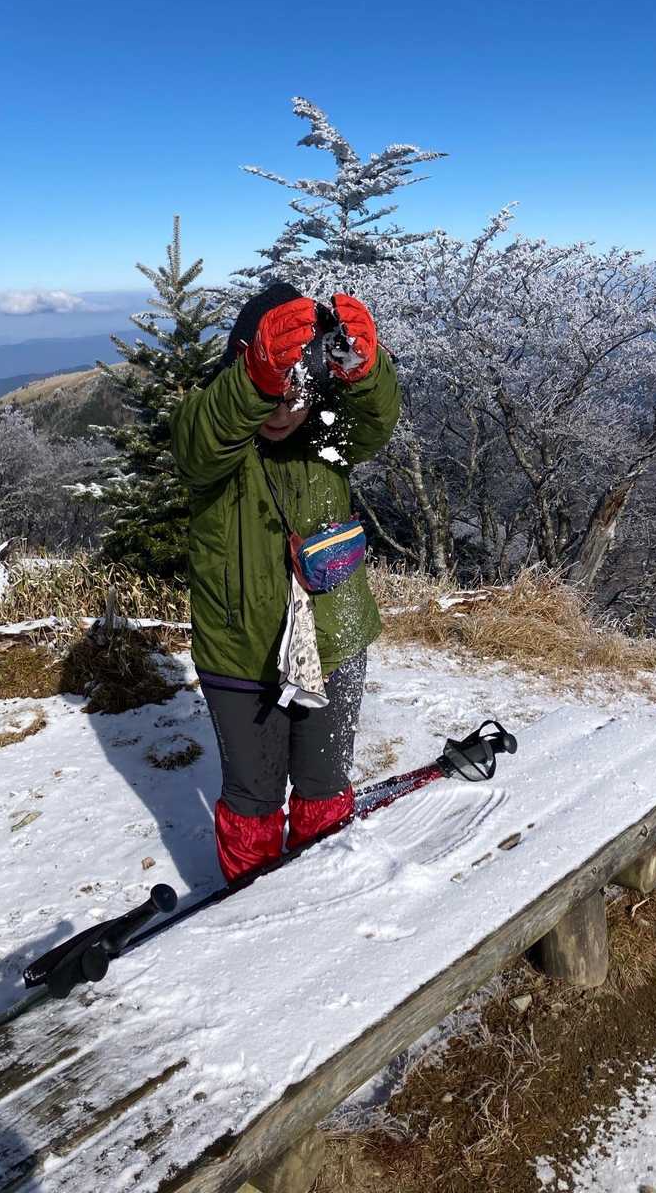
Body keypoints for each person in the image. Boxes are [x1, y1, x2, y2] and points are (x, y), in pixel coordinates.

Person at [171, 283, 401, 883]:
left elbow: (378, 421)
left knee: (325, 786)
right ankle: (251, 897)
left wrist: (365, 372)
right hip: (240, 651)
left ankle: (321, 894)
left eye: (296, 394)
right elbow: (199, 444)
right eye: (271, 394)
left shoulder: (328, 436)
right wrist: (254, 381)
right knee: (254, 799)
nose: (283, 412)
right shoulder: (213, 434)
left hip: (334, 639)